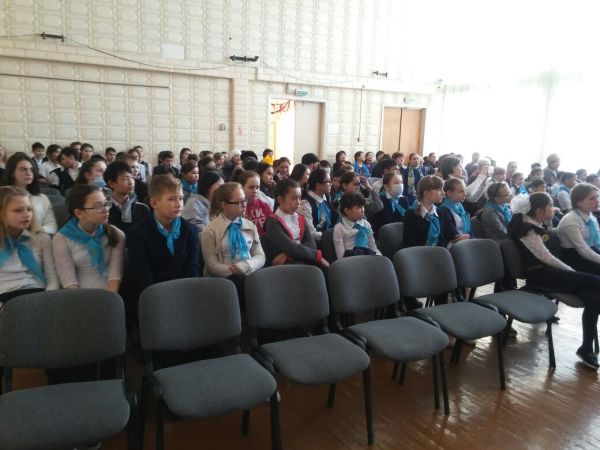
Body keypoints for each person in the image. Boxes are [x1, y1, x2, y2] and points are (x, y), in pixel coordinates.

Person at [510, 192, 600, 369]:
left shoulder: (537, 223)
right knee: (595, 281)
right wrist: (570, 271)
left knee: (593, 299)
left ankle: (586, 348)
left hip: (550, 273)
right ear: (539, 211)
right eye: (550, 206)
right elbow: (546, 257)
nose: (554, 208)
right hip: (540, 275)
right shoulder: (528, 230)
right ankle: (586, 349)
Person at [124, 175, 200, 308]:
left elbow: (192, 269)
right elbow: (142, 275)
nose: (179, 204)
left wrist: (184, 295)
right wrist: (161, 299)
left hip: (184, 294)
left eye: (181, 198)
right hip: (152, 297)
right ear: (154, 203)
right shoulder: (138, 233)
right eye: (172, 199)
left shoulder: (190, 230)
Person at [201, 183, 264, 306]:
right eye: (239, 202)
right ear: (224, 205)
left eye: (244, 200)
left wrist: (246, 265)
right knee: (240, 285)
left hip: (248, 273)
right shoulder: (210, 230)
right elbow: (211, 265)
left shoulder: (250, 226)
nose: (244, 205)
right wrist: (236, 270)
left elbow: (260, 255)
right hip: (224, 280)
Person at [53, 184, 125, 291]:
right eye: (97, 207)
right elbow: (69, 281)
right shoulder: (61, 238)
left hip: (109, 292)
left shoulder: (116, 234)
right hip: (77, 294)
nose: (106, 209)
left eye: (106, 204)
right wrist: (84, 300)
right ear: (79, 213)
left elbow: (114, 275)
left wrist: (109, 298)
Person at [0, 186, 58, 305]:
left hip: (39, 295)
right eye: (18, 210)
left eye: (29, 209)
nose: (27, 214)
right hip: (6, 297)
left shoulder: (41, 238)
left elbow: (52, 278)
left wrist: (48, 301)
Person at [262, 179, 329, 268]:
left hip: (302, 259)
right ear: (280, 199)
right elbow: (290, 247)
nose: (298, 202)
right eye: (293, 198)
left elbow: (312, 244)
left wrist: (287, 255)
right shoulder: (272, 223)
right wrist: (318, 257)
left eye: (299, 198)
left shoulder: (300, 218)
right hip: (286, 267)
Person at [1, 152, 57, 235]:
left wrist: (33, 233)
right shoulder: (2, 196)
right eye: (23, 169)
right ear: (12, 172)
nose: (29, 173)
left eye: (31, 169)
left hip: (37, 238)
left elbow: (52, 226)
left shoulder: (42, 198)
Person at [557, 183, 600, 274]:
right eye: (592, 198)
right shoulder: (570, 220)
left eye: (597, 197)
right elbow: (583, 250)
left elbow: (596, 240)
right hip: (576, 257)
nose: (597, 201)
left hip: (591, 250)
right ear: (579, 202)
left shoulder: (591, 216)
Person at [104, 161, 149, 234]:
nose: (131, 182)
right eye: (125, 179)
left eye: (132, 177)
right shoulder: (104, 209)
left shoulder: (142, 208)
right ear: (111, 183)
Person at [401, 175, 444, 249]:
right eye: (439, 190)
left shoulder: (439, 211)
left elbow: (441, 240)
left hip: (435, 252)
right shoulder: (411, 214)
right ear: (426, 194)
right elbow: (411, 244)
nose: (443, 193)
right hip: (417, 253)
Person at [333, 192, 380, 259]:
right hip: (351, 260)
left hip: (368, 258)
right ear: (347, 210)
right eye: (359, 207)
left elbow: (373, 247)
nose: (363, 210)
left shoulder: (366, 224)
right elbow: (341, 256)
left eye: (363, 206)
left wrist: (379, 258)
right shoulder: (339, 228)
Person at [298, 168, 335, 241]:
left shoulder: (327, 196)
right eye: (328, 181)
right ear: (318, 185)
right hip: (316, 241)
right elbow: (311, 233)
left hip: (329, 237)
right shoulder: (305, 203)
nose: (331, 184)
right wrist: (330, 236)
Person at [438, 178, 471, 248]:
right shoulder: (443, 210)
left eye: (465, 190)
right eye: (460, 191)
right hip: (452, 246)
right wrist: (469, 237)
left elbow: (471, 232)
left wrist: (469, 236)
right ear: (449, 193)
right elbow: (453, 236)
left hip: (466, 241)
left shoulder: (461, 207)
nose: (465, 194)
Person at [241, 171, 272, 236]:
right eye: (251, 187)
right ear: (242, 187)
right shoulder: (237, 207)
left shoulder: (264, 205)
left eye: (257, 187)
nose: (255, 191)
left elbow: (272, 228)